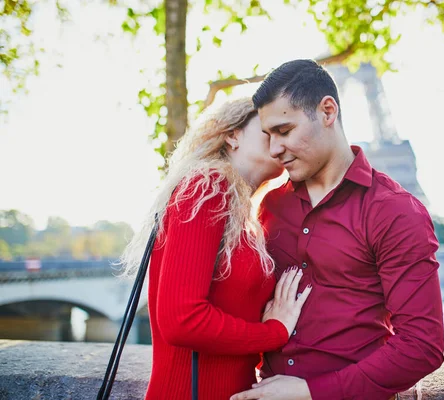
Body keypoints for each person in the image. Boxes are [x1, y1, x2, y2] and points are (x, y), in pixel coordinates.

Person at [231, 60, 444, 400]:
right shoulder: (270, 206)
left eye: (284, 131)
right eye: (268, 136)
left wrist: (311, 392)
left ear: (328, 111)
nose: (274, 149)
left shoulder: (394, 211)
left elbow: (423, 345)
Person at [119, 98, 312, 400]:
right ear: (232, 135)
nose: (279, 141)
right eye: (267, 129)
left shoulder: (244, 215)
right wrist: (274, 332)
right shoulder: (207, 187)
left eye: (283, 130)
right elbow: (181, 321)